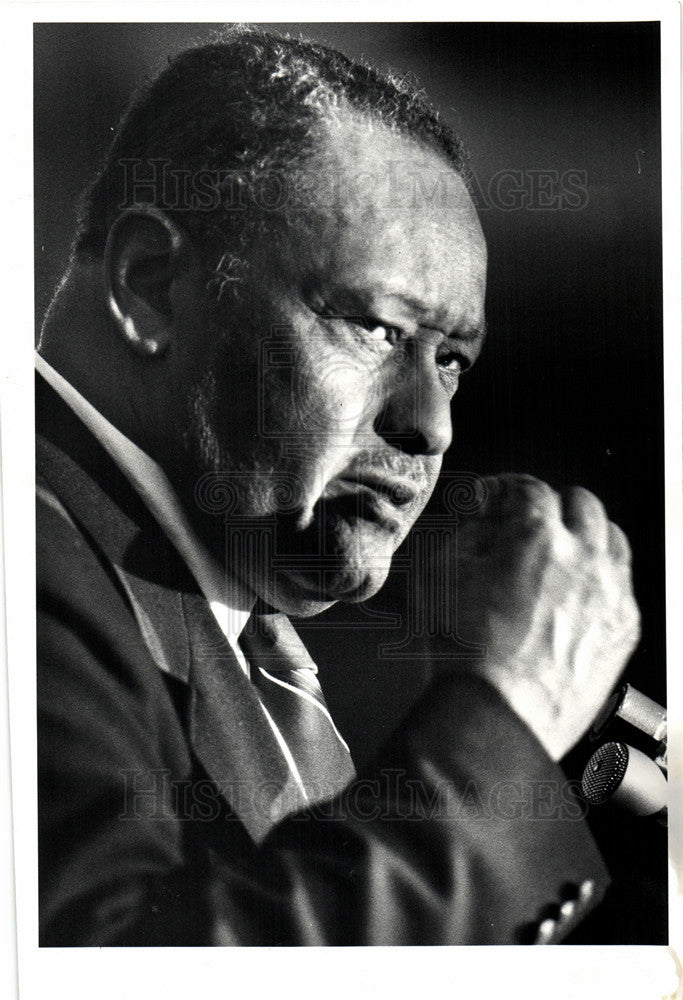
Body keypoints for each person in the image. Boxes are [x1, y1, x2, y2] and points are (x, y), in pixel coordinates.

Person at [36, 28, 640, 946]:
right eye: (376, 329)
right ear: (151, 285)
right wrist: (505, 721)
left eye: (452, 361)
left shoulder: (190, 615)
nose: (430, 427)